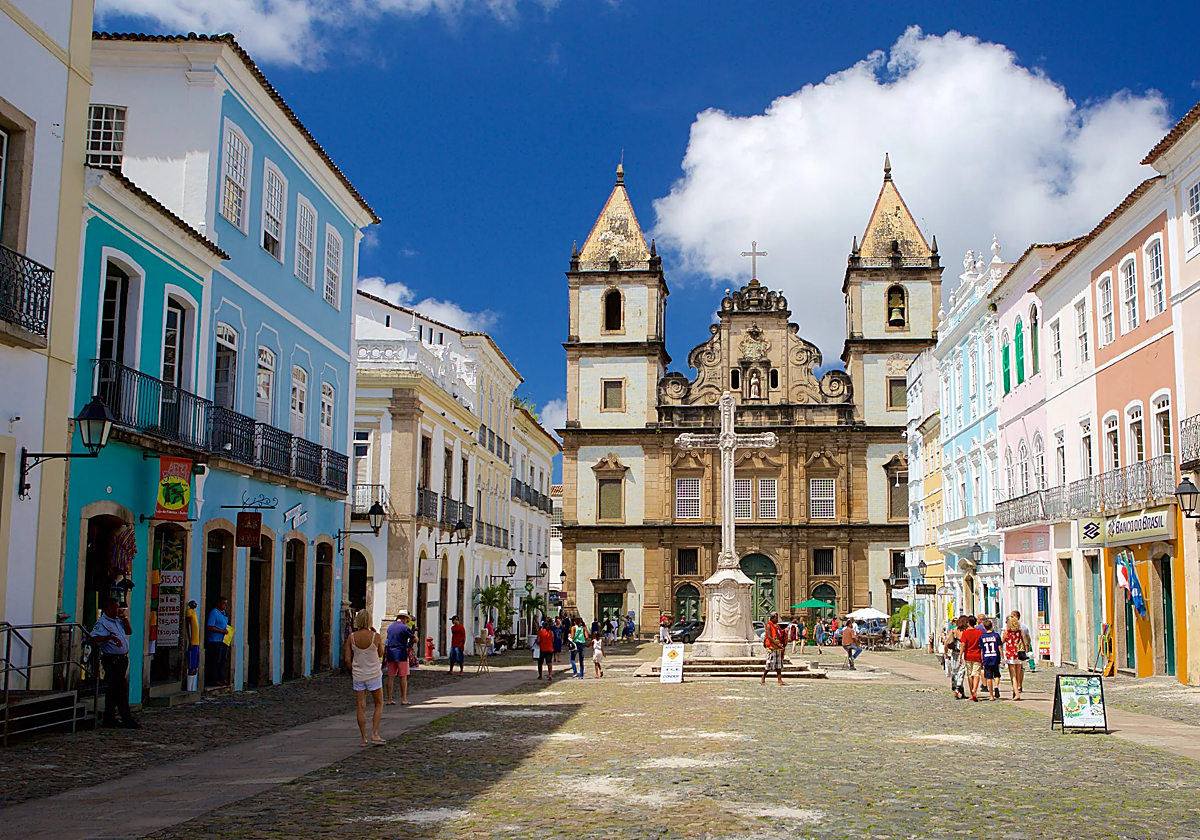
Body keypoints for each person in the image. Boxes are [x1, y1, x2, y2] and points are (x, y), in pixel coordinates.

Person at [91, 597, 138, 728]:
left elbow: (129, 631)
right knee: (119, 689)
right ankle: (126, 717)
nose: (118, 609)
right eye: (115, 607)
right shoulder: (102, 623)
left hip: (122, 659)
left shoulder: (118, 621)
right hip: (112, 660)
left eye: (119, 607)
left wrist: (125, 618)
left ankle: (109, 717)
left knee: (113, 690)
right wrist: (110, 637)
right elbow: (94, 638)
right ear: (108, 608)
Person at [344, 609, 386, 745]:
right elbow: (381, 653)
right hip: (373, 673)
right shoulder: (376, 636)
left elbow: (347, 659)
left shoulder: (351, 637)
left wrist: (352, 670)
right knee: (378, 703)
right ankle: (374, 733)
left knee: (361, 706)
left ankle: (363, 737)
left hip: (358, 674)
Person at [385, 611, 415, 705]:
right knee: (403, 676)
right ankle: (403, 699)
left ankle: (389, 699)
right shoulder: (405, 627)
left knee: (391, 676)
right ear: (404, 618)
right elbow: (413, 639)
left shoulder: (390, 627)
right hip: (401, 652)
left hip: (391, 652)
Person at [205, 596, 230, 687]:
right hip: (214, 641)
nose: (225, 605)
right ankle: (213, 679)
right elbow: (210, 626)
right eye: (223, 603)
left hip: (223, 641)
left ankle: (221, 679)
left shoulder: (224, 614)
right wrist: (222, 631)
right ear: (218, 603)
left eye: (226, 604)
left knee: (222, 660)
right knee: (215, 661)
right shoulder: (214, 613)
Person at [960, 614, 983, 702]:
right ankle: (974, 690)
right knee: (976, 674)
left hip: (968, 655)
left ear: (968, 623)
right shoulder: (979, 632)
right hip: (977, 655)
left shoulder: (965, 633)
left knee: (970, 675)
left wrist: (960, 655)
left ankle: (971, 692)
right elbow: (981, 645)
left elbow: (963, 645)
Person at [1002, 614, 1025, 700]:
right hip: (1019, 654)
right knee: (1018, 674)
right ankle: (1016, 690)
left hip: (1011, 654)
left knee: (1013, 675)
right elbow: (1025, 642)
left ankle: (1016, 693)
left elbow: (1002, 642)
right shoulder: (1020, 631)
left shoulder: (1006, 633)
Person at [979, 618, 1002, 701]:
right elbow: (1000, 647)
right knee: (996, 674)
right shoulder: (996, 636)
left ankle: (991, 695)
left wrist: (982, 659)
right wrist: (1002, 656)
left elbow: (981, 649)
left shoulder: (982, 637)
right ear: (992, 626)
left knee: (988, 677)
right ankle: (996, 686)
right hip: (995, 657)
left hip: (987, 658)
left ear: (984, 627)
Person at [761, 612, 787, 685]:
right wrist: (776, 644)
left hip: (777, 647)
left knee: (778, 664)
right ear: (772, 618)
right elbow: (769, 636)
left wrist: (784, 632)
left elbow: (780, 635)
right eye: (776, 617)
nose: (777, 619)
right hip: (771, 647)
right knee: (769, 664)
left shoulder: (777, 626)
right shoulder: (769, 625)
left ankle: (779, 679)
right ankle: (763, 677)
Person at [185, 600, 201, 692]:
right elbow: (189, 626)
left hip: (196, 642)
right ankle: (189, 688)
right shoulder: (189, 612)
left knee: (195, 666)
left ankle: (193, 688)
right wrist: (190, 640)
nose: (196, 604)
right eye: (194, 603)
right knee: (191, 666)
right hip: (192, 642)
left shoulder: (194, 612)